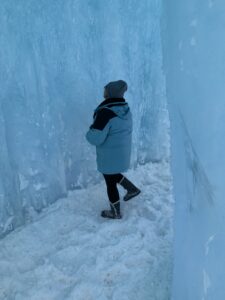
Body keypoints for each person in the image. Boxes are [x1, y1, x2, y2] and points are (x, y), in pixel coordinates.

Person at [86, 80, 141, 219]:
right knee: (112, 175)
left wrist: (90, 131)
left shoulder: (106, 112)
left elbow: (95, 138)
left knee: (110, 181)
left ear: (110, 92)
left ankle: (115, 212)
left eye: (106, 89)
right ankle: (132, 189)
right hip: (121, 152)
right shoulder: (125, 109)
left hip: (109, 154)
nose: (103, 91)